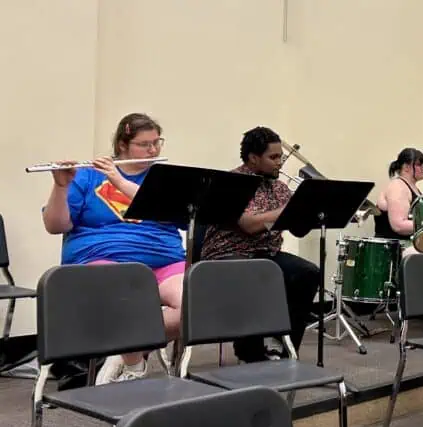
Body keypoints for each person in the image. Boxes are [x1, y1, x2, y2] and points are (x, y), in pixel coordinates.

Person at [41, 112, 184, 384]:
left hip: (163, 260)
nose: (153, 149)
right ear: (122, 145)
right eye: (145, 144)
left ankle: (127, 350)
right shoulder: (87, 177)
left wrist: (119, 181)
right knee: (123, 296)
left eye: (157, 142)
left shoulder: (163, 178)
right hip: (103, 259)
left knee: (196, 303)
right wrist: (60, 187)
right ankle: (135, 363)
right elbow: (55, 225)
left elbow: (178, 214)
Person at [199, 126, 320, 362]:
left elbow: (297, 228)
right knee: (257, 273)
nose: (279, 163)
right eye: (273, 157)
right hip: (227, 254)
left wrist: (312, 209)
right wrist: (289, 209)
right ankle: (249, 352)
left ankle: (286, 350)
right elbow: (250, 225)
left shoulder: (279, 187)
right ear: (254, 158)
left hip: (266, 254)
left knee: (308, 273)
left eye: (280, 157)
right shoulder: (232, 183)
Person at [374, 147, 423, 244]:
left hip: (406, 248)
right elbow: (399, 225)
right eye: (419, 164)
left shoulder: (413, 188)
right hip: (392, 252)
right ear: (406, 167)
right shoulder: (398, 187)